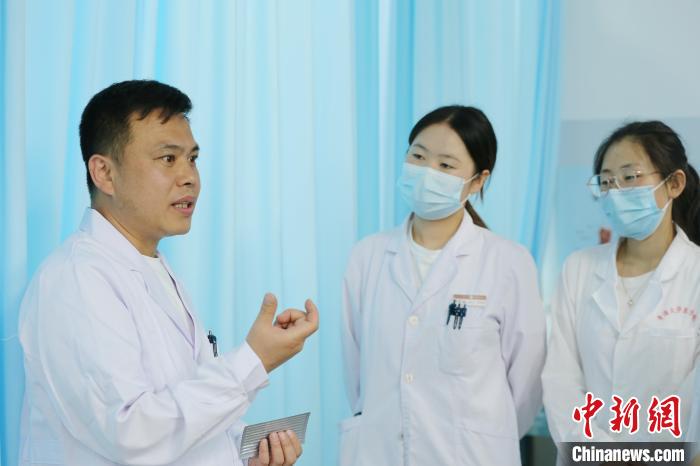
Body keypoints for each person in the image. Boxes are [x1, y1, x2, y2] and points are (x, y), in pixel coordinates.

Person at [18, 80, 318, 466]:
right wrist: (253, 359)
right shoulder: (74, 280)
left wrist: (245, 456)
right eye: (168, 159)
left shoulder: (154, 269)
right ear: (104, 173)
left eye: (192, 158)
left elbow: (185, 423)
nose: (189, 176)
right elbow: (131, 434)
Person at [339, 105, 546, 465]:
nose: (427, 172)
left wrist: (486, 434)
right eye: (418, 157)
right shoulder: (367, 256)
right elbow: (357, 374)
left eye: (446, 165)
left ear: (478, 180)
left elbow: (526, 386)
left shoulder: (508, 262)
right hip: (381, 452)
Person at [542, 121, 700, 460]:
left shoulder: (695, 274)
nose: (615, 192)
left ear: (674, 184)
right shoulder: (579, 268)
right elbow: (560, 378)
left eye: (630, 177)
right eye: (606, 182)